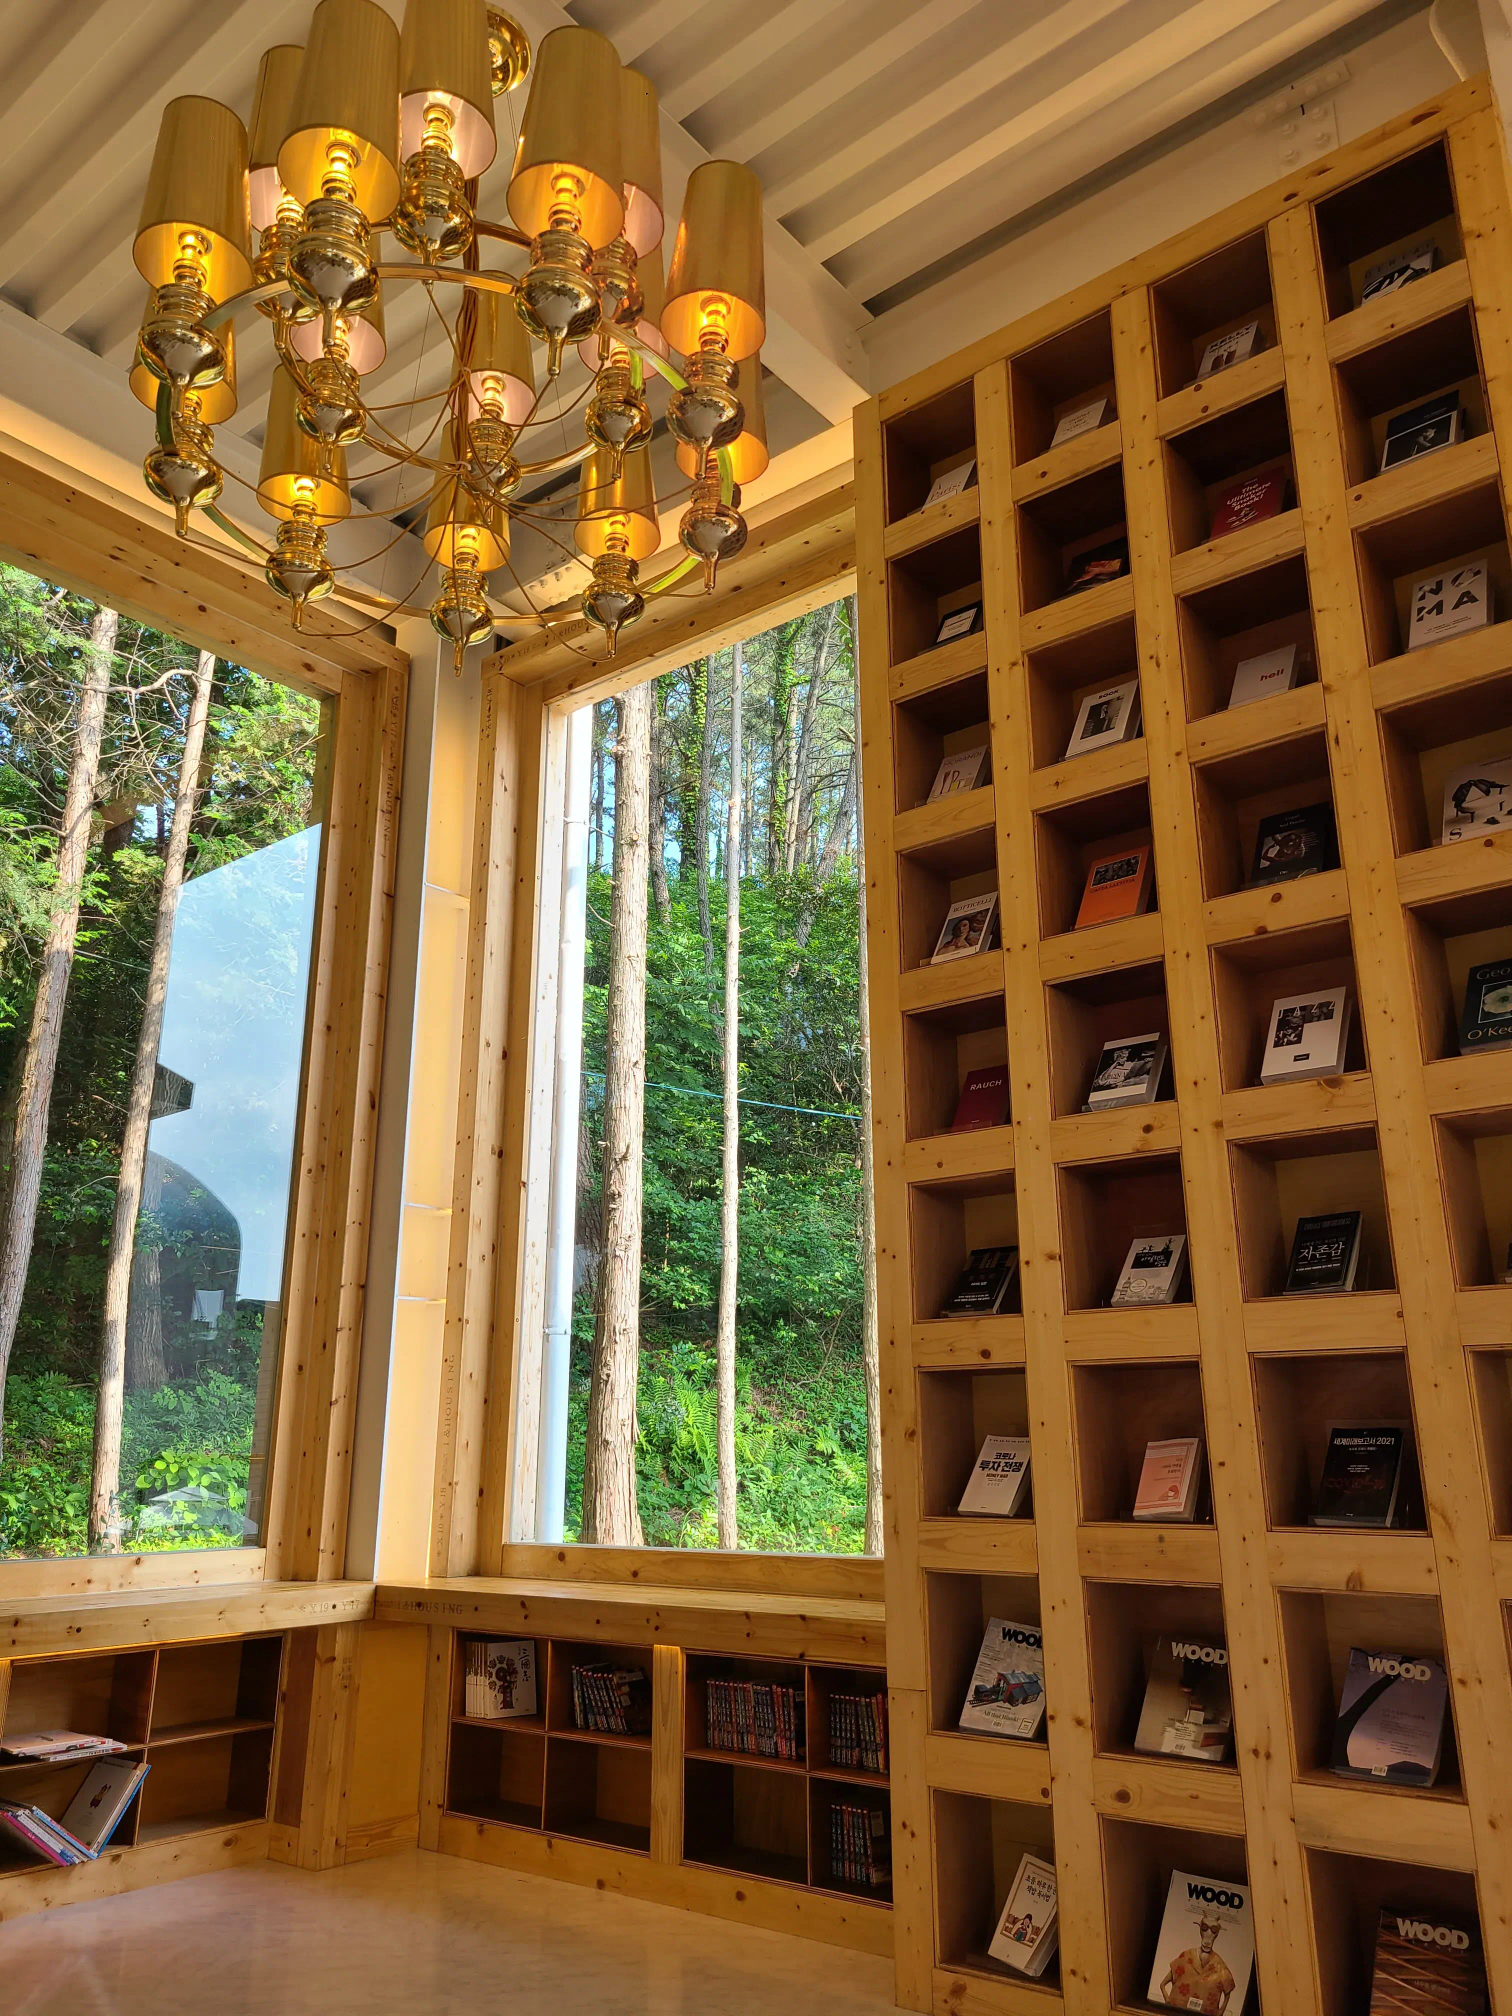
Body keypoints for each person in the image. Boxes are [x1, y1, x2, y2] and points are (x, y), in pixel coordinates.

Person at [1159, 1908, 1236, 2013]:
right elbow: (1162, 1984)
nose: (1208, 1938)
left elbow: (1228, 1991)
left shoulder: (1219, 1965)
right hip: (1179, 2010)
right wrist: (1168, 2001)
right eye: (1204, 1928)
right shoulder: (1186, 1956)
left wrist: (1220, 2012)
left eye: (1213, 1930)